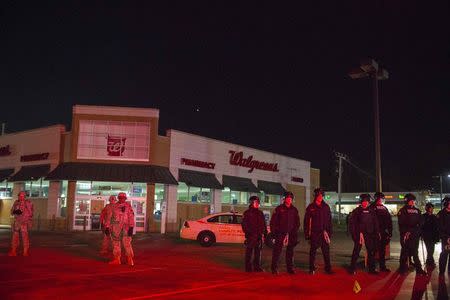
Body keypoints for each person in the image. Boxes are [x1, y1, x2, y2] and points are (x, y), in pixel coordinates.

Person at [304, 188, 333, 275]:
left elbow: (329, 221)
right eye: (319, 195)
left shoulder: (326, 207)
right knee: (313, 252)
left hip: (324, 233)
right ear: (316, 196)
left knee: (326, 252)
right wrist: (307, 234)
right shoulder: (311, 207)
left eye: (322, 195)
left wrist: (329, 233)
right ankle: (311, 268)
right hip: (314, 233)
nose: (320, 197)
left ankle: (328, 268)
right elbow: (306, 222)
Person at [270, 191, 300, 275]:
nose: (289, 199)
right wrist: (274, 233)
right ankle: (274, 268)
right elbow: (273, 222)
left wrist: (294, 232)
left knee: (290, 252)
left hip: (291, 234)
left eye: (291, 198)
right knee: (277, 252)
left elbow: (297, 222)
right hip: (280, 234)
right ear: (285, 199)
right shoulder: (279, 209)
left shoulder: (294, 210)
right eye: (288, 198)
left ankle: (290, 268)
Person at [348, 194, 379, 275]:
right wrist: (357, 234)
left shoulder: (372, 211)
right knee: (356, 251)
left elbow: (375, 223)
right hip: (359, 235)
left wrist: (376, 233)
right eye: (363, 202)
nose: (365, 203)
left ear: (368, 202)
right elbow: (352, 224)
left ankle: (371, 269)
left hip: (369, 234)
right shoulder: (356, 211)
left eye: (366, 202)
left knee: (370, 252)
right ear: (361, 202)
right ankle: (352, 268)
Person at [397, 193, 426, 275]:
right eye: (411, 201)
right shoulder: (403, 210)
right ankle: (402, 268)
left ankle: (419, 269)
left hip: (415, 235)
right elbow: (401, 223)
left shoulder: (417, 211)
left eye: (413, 201)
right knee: (404, 252)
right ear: (407, 201)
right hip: (406, 235)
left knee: (415, 253)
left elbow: (421, 222)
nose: (412, 202)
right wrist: (407, 231)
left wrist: (417, 230)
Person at [104, 192, 135, 266]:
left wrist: (131, 227)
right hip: (115, 228)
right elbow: (109, 217)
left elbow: (131, 217)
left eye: (123, 198)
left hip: (126, 228)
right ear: (118, 198)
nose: (122, 199)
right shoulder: (113, 206)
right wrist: (107, 227)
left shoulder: (128, 206)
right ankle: (117, 259)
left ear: (125, 198)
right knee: (116, 244)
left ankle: (130, 259)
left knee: (127, 244)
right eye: (120, 198)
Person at [241, 195, 267, 272]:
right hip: (251, 236)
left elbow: (263, 224)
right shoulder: (247, 213)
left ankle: (257, 267)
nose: (257, 204)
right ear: (251, 203)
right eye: (255, 202)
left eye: (258, 202)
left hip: (259, 236)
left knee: (258, 252)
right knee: (249, 252)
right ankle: (248, 267)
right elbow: (244, 225)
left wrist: (265, 233)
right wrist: (249, 233)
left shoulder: (260, 213)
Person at [371, 192, 393, 272]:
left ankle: (382, 267)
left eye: (383, 198)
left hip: (384, 232)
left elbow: (389, 220)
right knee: (373, 251)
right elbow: (371, 221)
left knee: (382, 251)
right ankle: (372, 268)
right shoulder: (372, 207)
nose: (383, 200)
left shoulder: (384, 208)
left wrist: (390, 232)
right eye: (381, 198)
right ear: (377, 198)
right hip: (375, 233)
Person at [8, 191, 33, 256]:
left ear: (25, 197)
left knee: (25, 237)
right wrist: (16, 212)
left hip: (24, 222)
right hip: (17, 222)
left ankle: (25, 251)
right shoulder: (16, 202)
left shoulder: (28, 203)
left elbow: (31, 213)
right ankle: (13, 251)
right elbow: (12, 211)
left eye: (22, 196)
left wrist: (29, 221)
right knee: (15, 237)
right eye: (19, 196)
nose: (20, 197)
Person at [421, 202, 439, 268]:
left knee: (432, 249)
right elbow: (421, 226)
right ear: (427, 208)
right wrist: (421, 234)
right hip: (426, 235)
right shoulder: (423, 216)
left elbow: (436, 226)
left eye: (432, 208)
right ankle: (431, 262)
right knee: (429, 249)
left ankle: (429, 261)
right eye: (430, 208)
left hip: (433, 235)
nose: (432, 209)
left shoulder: (434, 216)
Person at [437, 196, 450, 276]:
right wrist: (446, 237)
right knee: (444, 254)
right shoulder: (441, 214)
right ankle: (442, 271)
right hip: (445, 238)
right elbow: (440, 227)